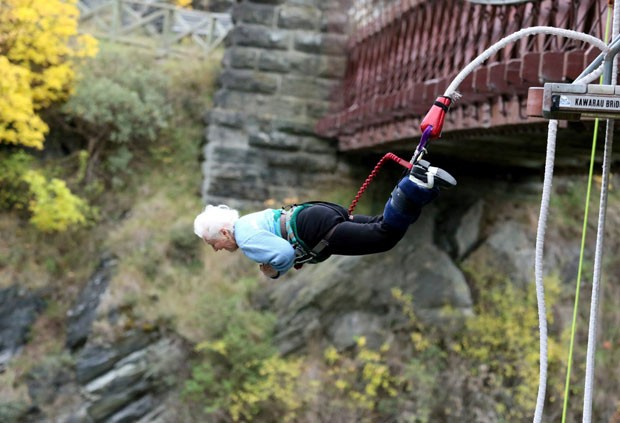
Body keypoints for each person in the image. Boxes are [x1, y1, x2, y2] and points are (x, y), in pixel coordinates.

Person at [194, 159, 456, 279]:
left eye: (212, 243)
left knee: (385, 236)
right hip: (318, 213)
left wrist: (274, 271)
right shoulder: (249, 221)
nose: (216, 249)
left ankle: (410, 185)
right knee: (380, 223)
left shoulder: (246, 239)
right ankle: (424, 182)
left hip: (316, 229)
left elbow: (284, 254)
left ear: (225, 233)